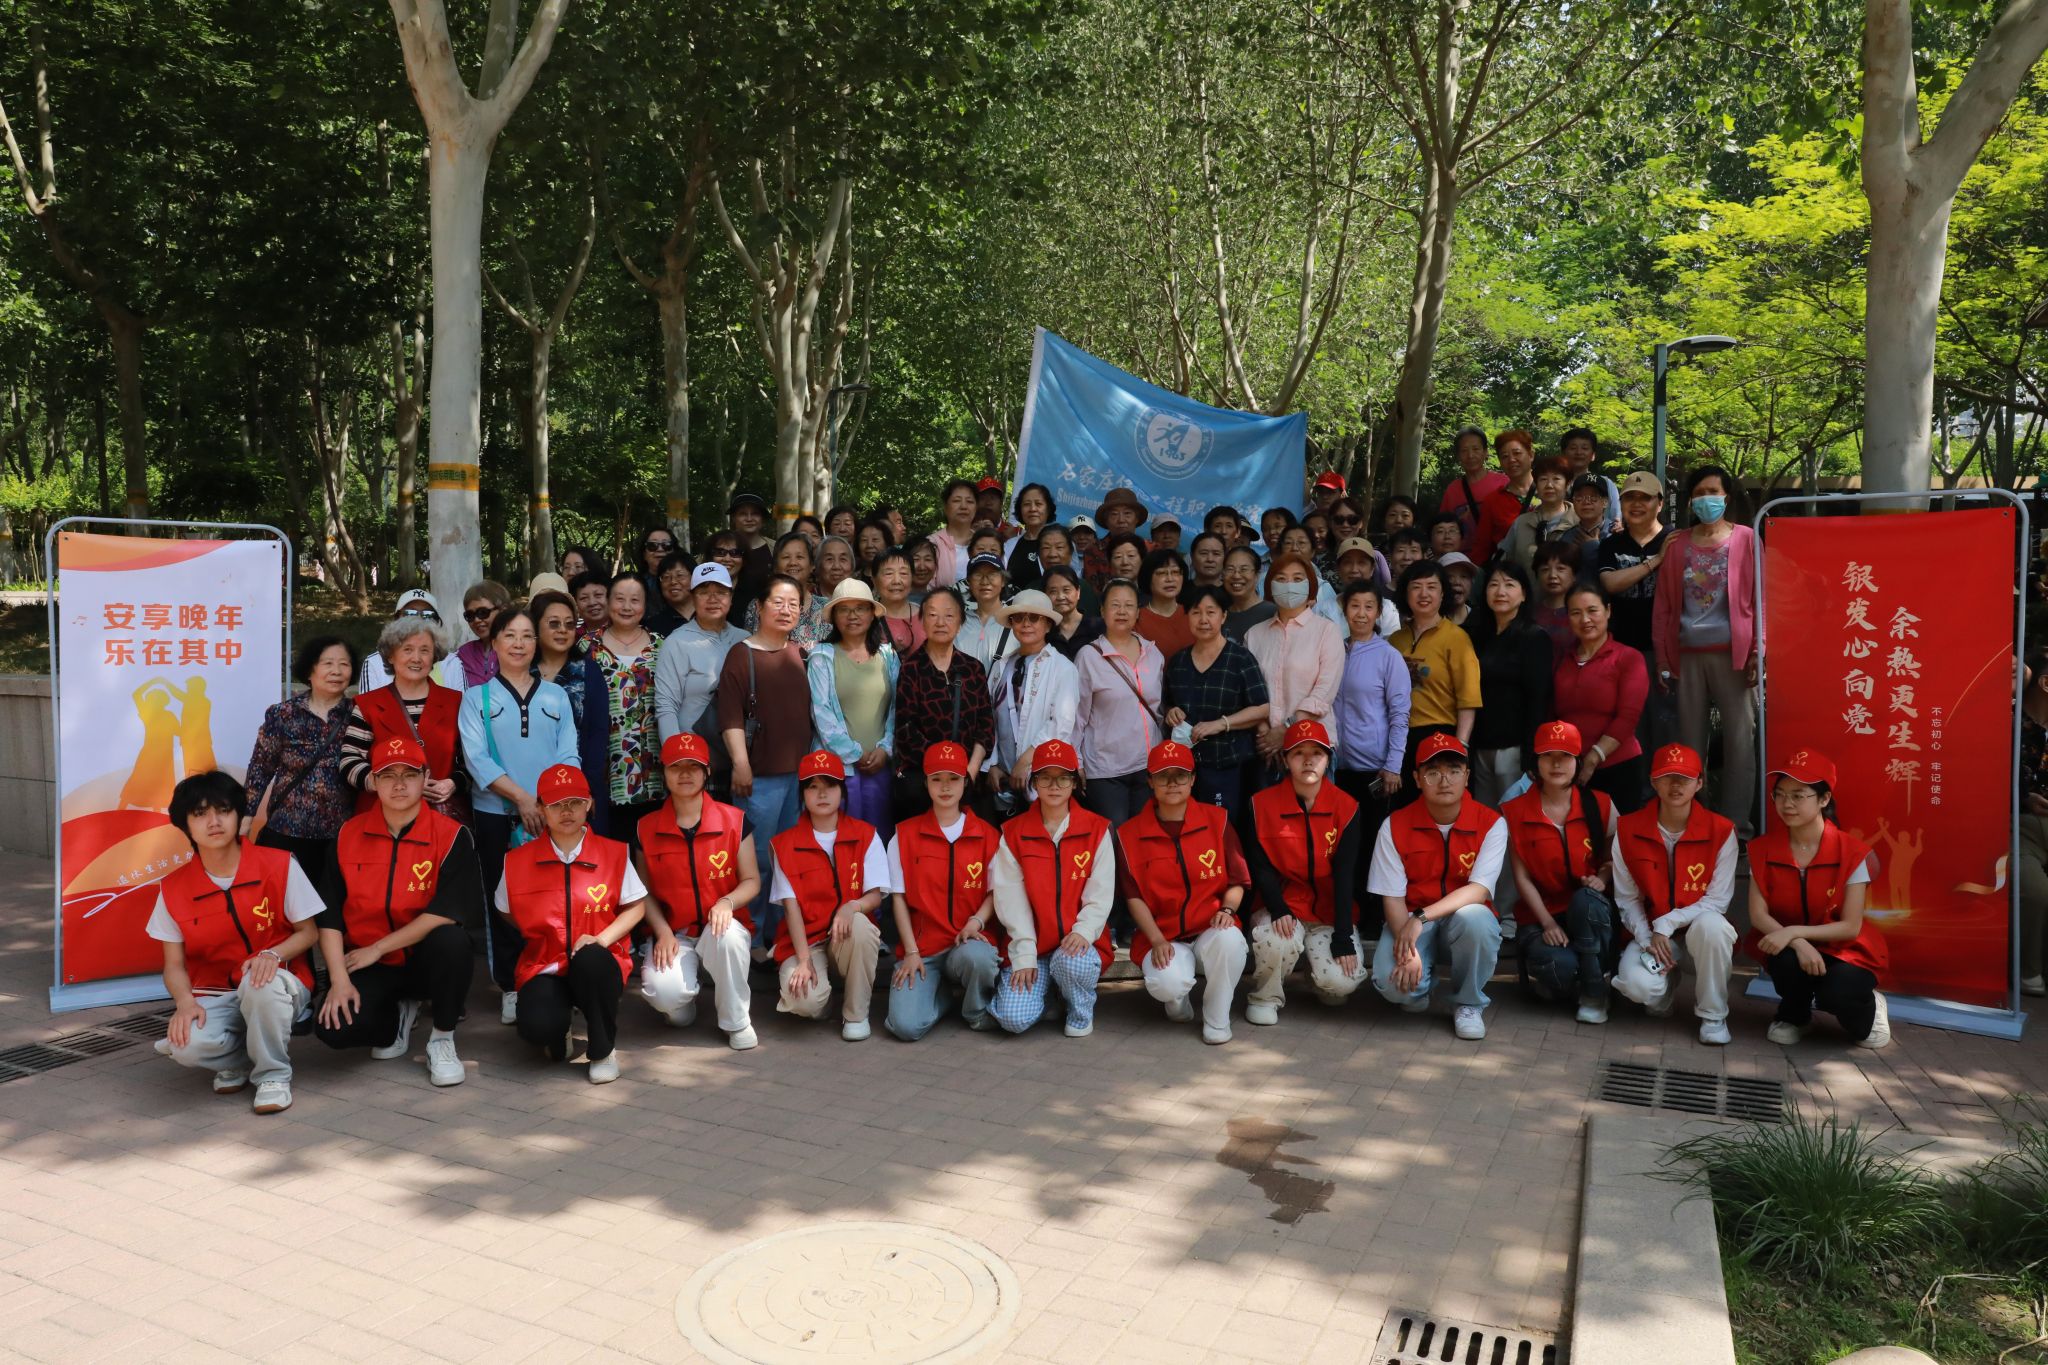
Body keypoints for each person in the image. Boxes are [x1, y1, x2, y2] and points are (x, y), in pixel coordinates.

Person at [149, 768, 322, 1117]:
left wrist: (272, 955)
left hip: (280, 982)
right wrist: (184, 1002)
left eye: (224, 810)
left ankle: (273, 1075)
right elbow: (174, 966)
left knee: (260, 983)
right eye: (200, 814)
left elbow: (309, 932)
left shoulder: (278, 864)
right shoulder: (173, 889)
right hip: (215, 992)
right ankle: (240, 1060)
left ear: (238, 816)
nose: (214, 822)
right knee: (183, 1045)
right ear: (185, 826)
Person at [315, 736, 480, 1085]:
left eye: (409, 774)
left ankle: (442, 1039)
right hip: (369, 963)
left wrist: (379, 948)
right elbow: (329, 917)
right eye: (388, 775)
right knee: (334, 1029)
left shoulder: (452, 835)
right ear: (373, 781)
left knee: (453, 941)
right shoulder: (348, 834)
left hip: (422, 959)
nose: (399, 784)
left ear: (426, 777)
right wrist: (339, 981)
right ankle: (397, 1017)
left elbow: (446, 911)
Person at [460, 605, 580, 1011]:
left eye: (527, 635)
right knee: (503, 898)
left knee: (553, 895)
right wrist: (522, 799)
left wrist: (548, 803)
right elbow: (476, 759)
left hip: (551, 815)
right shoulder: (476, 698)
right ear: (494, 643)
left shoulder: (556, 695)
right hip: (497, 814)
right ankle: (511, 984)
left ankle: (555, 972)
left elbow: (568, 754)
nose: (519, 643)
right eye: (509, 635)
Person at [498, 763, 648, 1083]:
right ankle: (559, 1027)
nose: (566, 812)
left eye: (575, 802)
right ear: (541, 808)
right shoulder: (517, 861)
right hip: (545, 964)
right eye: (556, 804)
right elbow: (506, 911)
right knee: (536, 1027)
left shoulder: (614, 853)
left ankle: (603, 1050)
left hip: (597, 963)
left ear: (589, 804)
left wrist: (601, 939)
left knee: (592, 959)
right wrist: (542, 932)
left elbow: (636, 907)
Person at [1744, 750, 1890, 1048]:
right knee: (1784, 960)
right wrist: (1797, 942)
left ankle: (1871, 1008)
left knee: (1837, 995)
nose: (1787, 803)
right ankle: (1795, 1015)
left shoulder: (1853, 853)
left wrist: (1793, 932)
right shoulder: (1761, 850)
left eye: (1798, 795)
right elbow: (1759, 915)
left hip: (1845, 948)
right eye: (1780, 795)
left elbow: (1850, 926)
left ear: (1824, 799)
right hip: (1790, 945)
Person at [1368, 734, 1506, 1040]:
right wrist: (1409, 949)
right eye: (1433, 772)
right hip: (1411, 921)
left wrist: (1421, 918)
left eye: (1454, 771)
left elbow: (1479, 890)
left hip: (1458, 921)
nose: (1444, 781)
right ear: (1417, 779)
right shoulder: (1395, 825)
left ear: (1467, 776)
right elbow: (1392, 897)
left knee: (1477, 918)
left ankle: (1468, 1003)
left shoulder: (1492, 823)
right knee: (1394, 986)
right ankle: (1421, 987)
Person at [635, 733, 762, 1051]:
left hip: (720, 926)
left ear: (707, 772)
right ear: (663, 773)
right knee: (666, 999)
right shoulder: (645, 828)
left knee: (728, 937)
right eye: (676, 766)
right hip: (676, 932)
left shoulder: (735, 820)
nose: (685, 774)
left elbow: (752, 880)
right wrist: (662, 932)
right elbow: (643, 892)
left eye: (693, 766)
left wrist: (727, 902)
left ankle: (736, 1021)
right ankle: (685, 999)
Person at [1119, 741, 1251, 1045]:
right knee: (1167, 982)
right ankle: (1176, 999)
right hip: (1164, 934)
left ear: (1193, 779)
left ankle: (1217, 1018)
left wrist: (1228, 910)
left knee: (1231, 941)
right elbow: (1133, 895)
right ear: (1150, 782)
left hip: (1208, 929)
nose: (1172, 783)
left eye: (1180, 775)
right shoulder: (1129, 834)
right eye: (1163, 776)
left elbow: (1237, 879)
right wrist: (1156, 939)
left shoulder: (1217, 821)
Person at [1608, 743, 1740, 1045]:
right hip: (1651, 933)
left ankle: (1713, 1015)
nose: (1676, 784)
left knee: (1713, 926)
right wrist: (1647, 938)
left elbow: (1718, 901)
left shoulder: (1722, 831)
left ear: (1699, 782)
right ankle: (1664, 992)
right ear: (1653, 782)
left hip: (1697, 934)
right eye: (1667, 776)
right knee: (1636, 986)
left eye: (1685, 777)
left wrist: (1666, 924)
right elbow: (1627, 898)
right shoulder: (1627, 829)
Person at [1654, 464, 1758, 837]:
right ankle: (1693, 822)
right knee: (1689, 743)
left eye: (1713, 492)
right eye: (1699, 493)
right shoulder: (1678, 544)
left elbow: (1761, 597)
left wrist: (1758, 650)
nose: (1706, 499)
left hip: (1735, 655)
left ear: (1726, 497)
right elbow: (1664, 606)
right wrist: (1662, 658)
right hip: (1687, 655)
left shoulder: (1746, 538)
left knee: (1741, 742)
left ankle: (1736, 827)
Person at [988, 740, 1116, 1037]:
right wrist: (1024, 955)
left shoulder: (1096, 829)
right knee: (1013, 1019)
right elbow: (1010, 901)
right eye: (1045, 777)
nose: (1054, 786)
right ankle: (1048, 994)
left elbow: (1100, 894)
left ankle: (1079, 1011)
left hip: (1077, 945)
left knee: (1071, 962)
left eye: (1063, 778)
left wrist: (1084, 931)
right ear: (1033, 782)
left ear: (1075, 782)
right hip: (1034, 946)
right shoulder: (1014, 832)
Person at [1246, 720, 1368, 1020]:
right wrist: (1278, 909)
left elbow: (1345, 875)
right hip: (1283, 906)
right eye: (1299, 753)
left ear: (1329, 759)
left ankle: (1320, 979)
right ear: (1286, 759)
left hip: (1327, 911)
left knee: (1341, 983)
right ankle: (1265, 996)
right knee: (1278, 938)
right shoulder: (1260, 805)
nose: (1309, 760)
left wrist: (1343, 935)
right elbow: (1260, 867)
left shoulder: (1346, 806)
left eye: (1317, 753)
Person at [884, 742, 1005, 1040]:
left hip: (969, 940)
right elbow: (898, 898)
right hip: (923, 949)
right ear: (925, 783)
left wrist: (976, 921)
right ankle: (943, 998)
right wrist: (910, 951)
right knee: (905, 1026)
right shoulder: (904, 835)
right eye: (937, 779)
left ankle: (975, 1010)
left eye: (953, 778)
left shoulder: (988, 835)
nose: (946, 787)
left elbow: (995, 892)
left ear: (965, 782)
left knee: (979, 959)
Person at [720, 575, 814, 950]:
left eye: (793, 603)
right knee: (757, 859)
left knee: (787, 859)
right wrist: (740, 763)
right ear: (759, 607)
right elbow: (730, 715)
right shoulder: (741, 654)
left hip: (798, 777)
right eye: (778, 602)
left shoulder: (800, 654)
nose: (786, 610)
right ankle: (752, 936)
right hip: (759, 778)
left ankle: (781, 936)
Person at [1501, 722, 1617, 1023]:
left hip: (1590, 910)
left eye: (1565, 756)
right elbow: (1522, 878)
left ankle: (1594, 994)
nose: (1556, 764)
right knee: (1560, 966)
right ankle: (1568, 980)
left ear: (1578, 761)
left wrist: (1601, 878)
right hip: (1541, 915)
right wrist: (1548, 922)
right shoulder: (1515, 812)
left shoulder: (1600, 804)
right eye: (1548, 756)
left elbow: (1613, 860)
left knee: (1586, 900)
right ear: (1535, 761)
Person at [771, 750, 888, 1041]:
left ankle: (856, 1014)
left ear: (842, 791)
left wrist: (852, 906)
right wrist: (803, 960)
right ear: (803, 793)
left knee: (861, 925)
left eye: (830, 785)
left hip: (847, 936)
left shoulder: (866, 834)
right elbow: (791, 908)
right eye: (813, 786)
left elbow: (876, 895)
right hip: (806, 942)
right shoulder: (784, 844)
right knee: (803, 1000)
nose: (822, 794)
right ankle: (822, 1004)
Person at [242, 635, 358, 878]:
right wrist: (246, 815)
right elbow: (261, 768)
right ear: (310, 670)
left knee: (332, 900)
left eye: (344, 664)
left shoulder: (359, 714)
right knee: (283, 897)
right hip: (287, 830)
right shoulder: (283, 714)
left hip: (341, 834)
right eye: (328, 663)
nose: (336, 671)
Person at [341, 615, 469, 822]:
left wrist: (453, 783)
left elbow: (470, 761)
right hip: (381, 817)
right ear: (391, 655)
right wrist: (383, 784)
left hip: (439, 818)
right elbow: (349, 759)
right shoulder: (368, 705)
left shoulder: (456, 702)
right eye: (407, 650)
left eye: (425, 650)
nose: (416, 658)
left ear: (434, 657)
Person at [1162, 585, 1271, 812]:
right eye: (1196, 612)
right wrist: (1171, 712)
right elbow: (1168, 703)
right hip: (1185, 767)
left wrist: (1221, 724)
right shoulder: (1178, 662)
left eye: (1211, 612)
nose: (1203, 619)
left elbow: (1261, 708)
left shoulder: (1240, 658)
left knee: (1222, 826)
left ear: (1223, 616)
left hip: (1228, 763)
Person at [891, 586, 997, 817]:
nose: (940, 622)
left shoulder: (973, 669)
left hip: (968, 779)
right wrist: (941, 770)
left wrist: (970, 770)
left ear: (960, 622)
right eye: (932, 614)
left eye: (949, 615)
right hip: (924, 782)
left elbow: (986, 726)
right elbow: (906, 729)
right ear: (922, 621)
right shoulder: (911, 669)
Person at [808, 578, 900, 837]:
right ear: (834, 617)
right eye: (844, 609)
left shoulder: (888, 656)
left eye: (860, 608)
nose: (852, 616)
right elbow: (821, 713)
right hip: (837, 768)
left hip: (881, 765)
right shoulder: (821, 656)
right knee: (842, 838)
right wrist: (854, 753)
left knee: (879, 837)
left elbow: (897, 708)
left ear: (872, 613)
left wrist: (885, 748)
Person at [1244, 554, 1345, 784]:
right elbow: (1249, 691)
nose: (1289, 585)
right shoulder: (1254, 635)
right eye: (1281, 578)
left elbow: (1325, 690)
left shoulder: (1327, 631)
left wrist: (1287, 729)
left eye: (1298, 579)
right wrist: (1266, 735)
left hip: (1313, 746)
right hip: (1267, 750)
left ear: (1310, 586)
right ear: (1270, 586)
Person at [1074, 579, 1166, 826]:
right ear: (1102, 611)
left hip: (1148, 766)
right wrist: (1076, 761)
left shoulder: (1153, 653)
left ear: (1138, 612)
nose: (1122, 611)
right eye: (1115, 605)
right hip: (1106, 769)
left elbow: (1159, 708)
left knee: (1143, 835)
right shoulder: (1089, 656)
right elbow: (1077, 716)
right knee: (1115, 835)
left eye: (1129, 605)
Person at [1552, 581, 1651, 808]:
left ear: (1608, 611)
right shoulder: (1562, 661)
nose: (1585, 619)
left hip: (1618, 767)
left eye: (1592, 610)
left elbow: (1628, 718)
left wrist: (1594, 757)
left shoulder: (1628, 658)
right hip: (1569, 769)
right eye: (1576, 613)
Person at [1331, 581, 1409, 858]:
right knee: (1342, 844)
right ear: (1344, 610)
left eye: (1369, 607)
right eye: (1355, 606)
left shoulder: (1389, 656)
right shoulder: (1333, 651)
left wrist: (1393, 766)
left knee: (1372, 846)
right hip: (1336, 766)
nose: (1361, 614)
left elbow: (1400, 715)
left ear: (1378, 613)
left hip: (1375, 769)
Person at [586, 574, 665, 846]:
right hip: (607, 767)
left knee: (651, 847)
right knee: (613, 848)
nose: (627, 607)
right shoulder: (587, 646)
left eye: (635, 600)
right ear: (608, 602)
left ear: (645, 605)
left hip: (654, 769)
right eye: (620, 599)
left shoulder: (661, 645)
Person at [1465, 562, 1553, 808]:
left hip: (1514, 748)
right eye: (1493, 584)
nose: (1500, 591)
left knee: (1514, 816)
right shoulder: (1477, 636)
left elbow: (1538, 699)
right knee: (1485, 819)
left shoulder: (1534, 637)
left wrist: (1532, 752)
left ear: (1524, 594)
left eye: (1509, 585)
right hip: (1480, 744)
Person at [987, 589, 1081, 815]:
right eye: (1019, 618)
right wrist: (992, 763)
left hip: (1042, 776)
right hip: (1003, 778)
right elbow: (988, 717)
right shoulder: (1001, 665)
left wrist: (1025, 762)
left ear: (1048, 625)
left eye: (1034, 618)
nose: (1026, 624)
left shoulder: (1063, 667)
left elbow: (1061, 723)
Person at [1598, 469, 1672, 749]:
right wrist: (1656, 561)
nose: (1637, 504)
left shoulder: (1674, 539)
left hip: (1664, 651)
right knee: (1630, 728)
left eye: (1645, 498)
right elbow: (1610, 583)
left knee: (1666, 725)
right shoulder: (1611, 544)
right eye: (1630, 498)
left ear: (1660, 503)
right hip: (1623, 648)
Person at [1389, 561, 1480, 775]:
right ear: (1405, 593)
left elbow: (1468, 700)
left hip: (1441, 736)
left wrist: (1461, 746)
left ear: (1443, 594)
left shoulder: (1457, 638)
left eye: (1431, 587)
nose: (1424, 594)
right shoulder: (1395, 640)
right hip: (1398, 738)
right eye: (1416, 586)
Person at [652, 562, 748, 757]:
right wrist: (678, 757)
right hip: (694, 753)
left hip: (742, 753)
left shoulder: (745, 640)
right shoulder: (677, 642)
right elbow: (666, 706)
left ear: (731, 597)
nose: (713, 599)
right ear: (693, 597)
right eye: (704, 592)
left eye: (721, 592)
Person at [530, 589, 610, 817]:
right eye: (554, 624)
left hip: (580, 785)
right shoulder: (523, 672)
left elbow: (598, 734)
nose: (563, 630)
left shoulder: (588, 671)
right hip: (528, 786)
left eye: (569, 624)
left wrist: (586, 787)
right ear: (535, 628)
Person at [358, 589, 463, 693]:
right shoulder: (374, 663)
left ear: (437, 622)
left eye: (428, 615)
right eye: (410, 613)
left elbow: (461, 702)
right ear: (396, 619)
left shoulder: (452, 663)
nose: (418, 619)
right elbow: (368, 703)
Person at [744, 533, 828, 650]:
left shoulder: (825, 608)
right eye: (786, 557)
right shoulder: (758, 605)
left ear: (812, 565)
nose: (793, 562)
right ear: (775, 566)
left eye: (799, 557)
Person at [2021, 650, 2048, 997]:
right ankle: (2029, 971)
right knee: (2034, 889)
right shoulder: (2009, 722)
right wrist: (2023, 797)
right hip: (2020, 829)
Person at [1497, 456, 1574, 571]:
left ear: (1567, 484)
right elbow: (1505, 563)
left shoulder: (1580, 521)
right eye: (1543, 479)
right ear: (1536, 485)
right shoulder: (1521, 523)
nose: (1549, 485)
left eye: (1556, 479)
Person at [1437, 426, 1505, 550]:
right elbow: (1442, 527)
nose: (1470, 455)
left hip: (1497, 557)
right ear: (1458, 456)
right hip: (1463, 559)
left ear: (1485, 452)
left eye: (1476, 449)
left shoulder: (1503, 483)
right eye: (1464, 450)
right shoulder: (1452, 490)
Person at [446, 581, 511, 691]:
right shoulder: (463, 654)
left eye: (483, 612)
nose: (476, 620)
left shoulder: (518, 649)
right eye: (470, 615)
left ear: (503, 610)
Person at [957, 553, 1017, 669]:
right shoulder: (958, 622)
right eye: (978, 575)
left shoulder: (1015, 620)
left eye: (992, 574)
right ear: (969, 582)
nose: (985, 581)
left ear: (1003, 581)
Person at [1135, 548, 1194, 657]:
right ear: (1148, 578)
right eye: (1161, 573)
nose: (1170, 579)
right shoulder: (1137, 619)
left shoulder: (1193, 614)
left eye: (1175, 572)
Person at [1560, 427, 1622, 527]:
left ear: (1593, 455)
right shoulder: (1555, 484)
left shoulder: (1606, 483)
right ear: (1563, 454)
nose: (1579, 452)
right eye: (1573, 448)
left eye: (1584, 448)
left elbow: (1616, 519)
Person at [1528, 541, 1578, 660]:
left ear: (1574, 574)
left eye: (1560, 569)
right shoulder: (1529, 614)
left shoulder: (1582, 614)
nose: (1552, 575)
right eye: (1545, 569)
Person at [1043, 565, 1103, 660]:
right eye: (1053, 591)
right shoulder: (1044, 632)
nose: (1060, 597)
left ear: (1078, 592)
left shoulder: (1099, 626)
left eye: (1066, 590)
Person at [872, 547, 925, 654]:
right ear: (874, 580)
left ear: (912, 578)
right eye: (888, 574)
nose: (896, 581)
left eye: (903, 573)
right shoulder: (867, 619)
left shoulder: (926, 615)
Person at [927, 478, 980, 586]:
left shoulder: (985, 543)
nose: (963, 506)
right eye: (956, 501)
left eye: (969, 501)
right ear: (945, 507)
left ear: (976, 508)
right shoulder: (931, 544)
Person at [1556, 474, 1612, 577]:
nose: (1586, 502)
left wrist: (1593, 547)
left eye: (1593, 497)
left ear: (1605, 502)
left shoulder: (1616, 533)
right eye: (1579, 497)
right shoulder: (1567, 537)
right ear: (1573, 502)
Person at [1002, 482, 1056, 587]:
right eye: (1027, 504)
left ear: (1048, 509)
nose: (1032, 509)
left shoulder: (1061, 543)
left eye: (1038, 504)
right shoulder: (1009, 545)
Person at [729, 491, 775, 606]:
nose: (749, 519)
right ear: (733, 518)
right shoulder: (720, 548)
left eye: (755, 514)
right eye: (742, 514)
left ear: (762, 518)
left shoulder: (775, 548)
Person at [1221, 546, 1275, 640]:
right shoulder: (1219, 613)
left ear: (1257, 575)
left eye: (1244, 569)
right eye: (1230, 569)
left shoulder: (1272, 613)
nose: (1236, 575)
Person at [646, 551, 696, 637]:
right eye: (666, 577)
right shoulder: (653, 626)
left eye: (680, 575)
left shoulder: (711, 614)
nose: (673, 581)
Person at [816, 534, 858, 602]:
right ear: (818, 565)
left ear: (852, 566)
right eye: (829, 559)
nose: (836, 566)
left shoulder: (862, 597)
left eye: (843, 559)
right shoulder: (806, 600)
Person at [570, 571, 612, 637]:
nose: (592, 603)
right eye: (584, 598)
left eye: (598, 595)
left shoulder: (625, 630)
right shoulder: (572, 638)